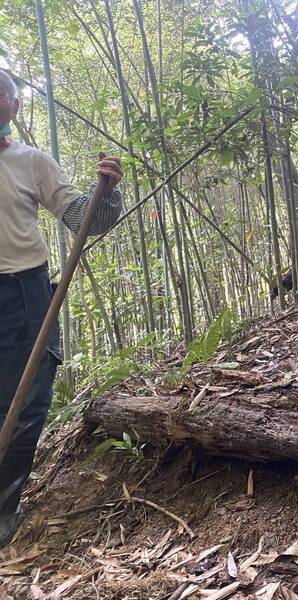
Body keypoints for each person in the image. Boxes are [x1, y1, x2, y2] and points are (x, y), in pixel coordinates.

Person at [0, 70, 124, 547]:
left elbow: (86, 220)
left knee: (27, 403)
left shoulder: (32, 162)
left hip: (26, 295)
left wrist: (106, 192)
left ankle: (2, 507)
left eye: (2, 96)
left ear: (14, 107)